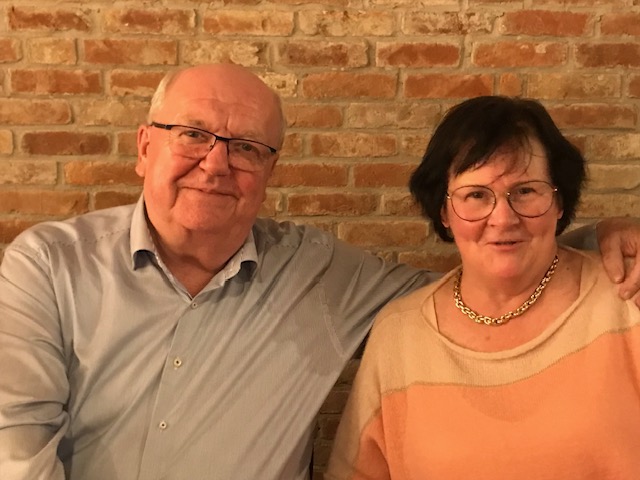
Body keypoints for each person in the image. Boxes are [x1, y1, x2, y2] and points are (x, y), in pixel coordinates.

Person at [0, 66, 637, 480]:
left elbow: (488, 280)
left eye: (247, 148)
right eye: (192, 135)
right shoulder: (49, 266)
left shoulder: (320, 274)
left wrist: (600, 243)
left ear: (270, 170)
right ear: (145, 146)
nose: (216, 165)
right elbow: (16, 451)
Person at [326, 96, 640, 480]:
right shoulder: (399, 335)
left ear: (559, 202)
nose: (503, 218)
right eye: (476, 195)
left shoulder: (627, 300)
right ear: (444, 211)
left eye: (525, 191)